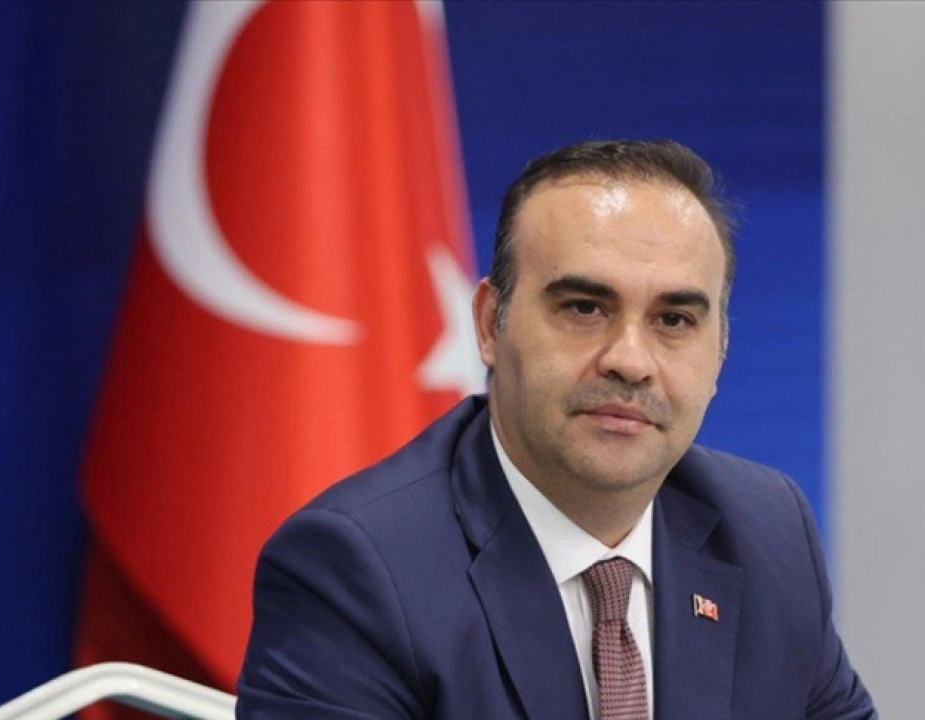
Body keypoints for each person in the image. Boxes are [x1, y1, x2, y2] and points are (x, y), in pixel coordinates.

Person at [237, 140, 875, 719]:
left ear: (721, 351)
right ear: (489, 325)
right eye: (584, 308)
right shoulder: (356, 569)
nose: (630, 360)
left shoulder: (767, 530)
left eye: (674, 320)